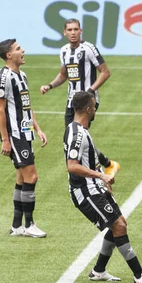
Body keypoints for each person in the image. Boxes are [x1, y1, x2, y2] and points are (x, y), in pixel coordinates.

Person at [64, 91, 142, 283]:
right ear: (88, 109)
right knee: (118, 226)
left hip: (95, 187)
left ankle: (99, 270)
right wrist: (101, 175)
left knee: (119, 223)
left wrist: (102, 180)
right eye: (94, 106)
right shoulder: (76, 133)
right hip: (85, 191)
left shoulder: (80, 130)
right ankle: (139, 275)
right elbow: (72, 165)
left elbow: (87, 160)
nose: (95, 110)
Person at [39, 18, 119, 177]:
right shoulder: (64, 51)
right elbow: (63, 75)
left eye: (76, 29)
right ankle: (106, 165)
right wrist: (50, 85)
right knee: (74, 136)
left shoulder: (89, 49)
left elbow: (105, 72)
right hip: (72, 101)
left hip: (88, 102)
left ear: (80, 31)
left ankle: (97, 173)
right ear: (64, 32)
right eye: (70, 30)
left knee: (78, 137)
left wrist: (90, 91)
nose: (73, 33)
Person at [0, 38, 48, 238]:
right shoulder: (3, 77)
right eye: (18, 49)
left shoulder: (22, 75)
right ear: (9, 55)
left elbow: (26, 106)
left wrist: (38, 129)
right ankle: (29, 224)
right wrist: (5, 139)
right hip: (15, 135)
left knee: (21, 177)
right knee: (32, 176)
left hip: (26, 132)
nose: (22, 50)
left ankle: (17, 226)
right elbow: (0, 110)